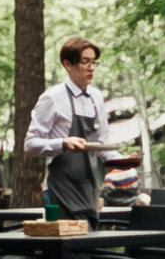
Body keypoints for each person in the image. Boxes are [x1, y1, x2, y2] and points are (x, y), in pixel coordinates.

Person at [23, 35, 107, 217]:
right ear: (67, 64)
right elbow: (29, 144)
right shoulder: (52, 98)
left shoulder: (96, 97)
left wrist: (123, 161)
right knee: (63, 243)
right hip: (59, 190)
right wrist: (62, 143)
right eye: (85, 62)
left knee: (89, 242)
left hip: (89, 189)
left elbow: (102, 144)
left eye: (94, 62)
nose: (91, 68)